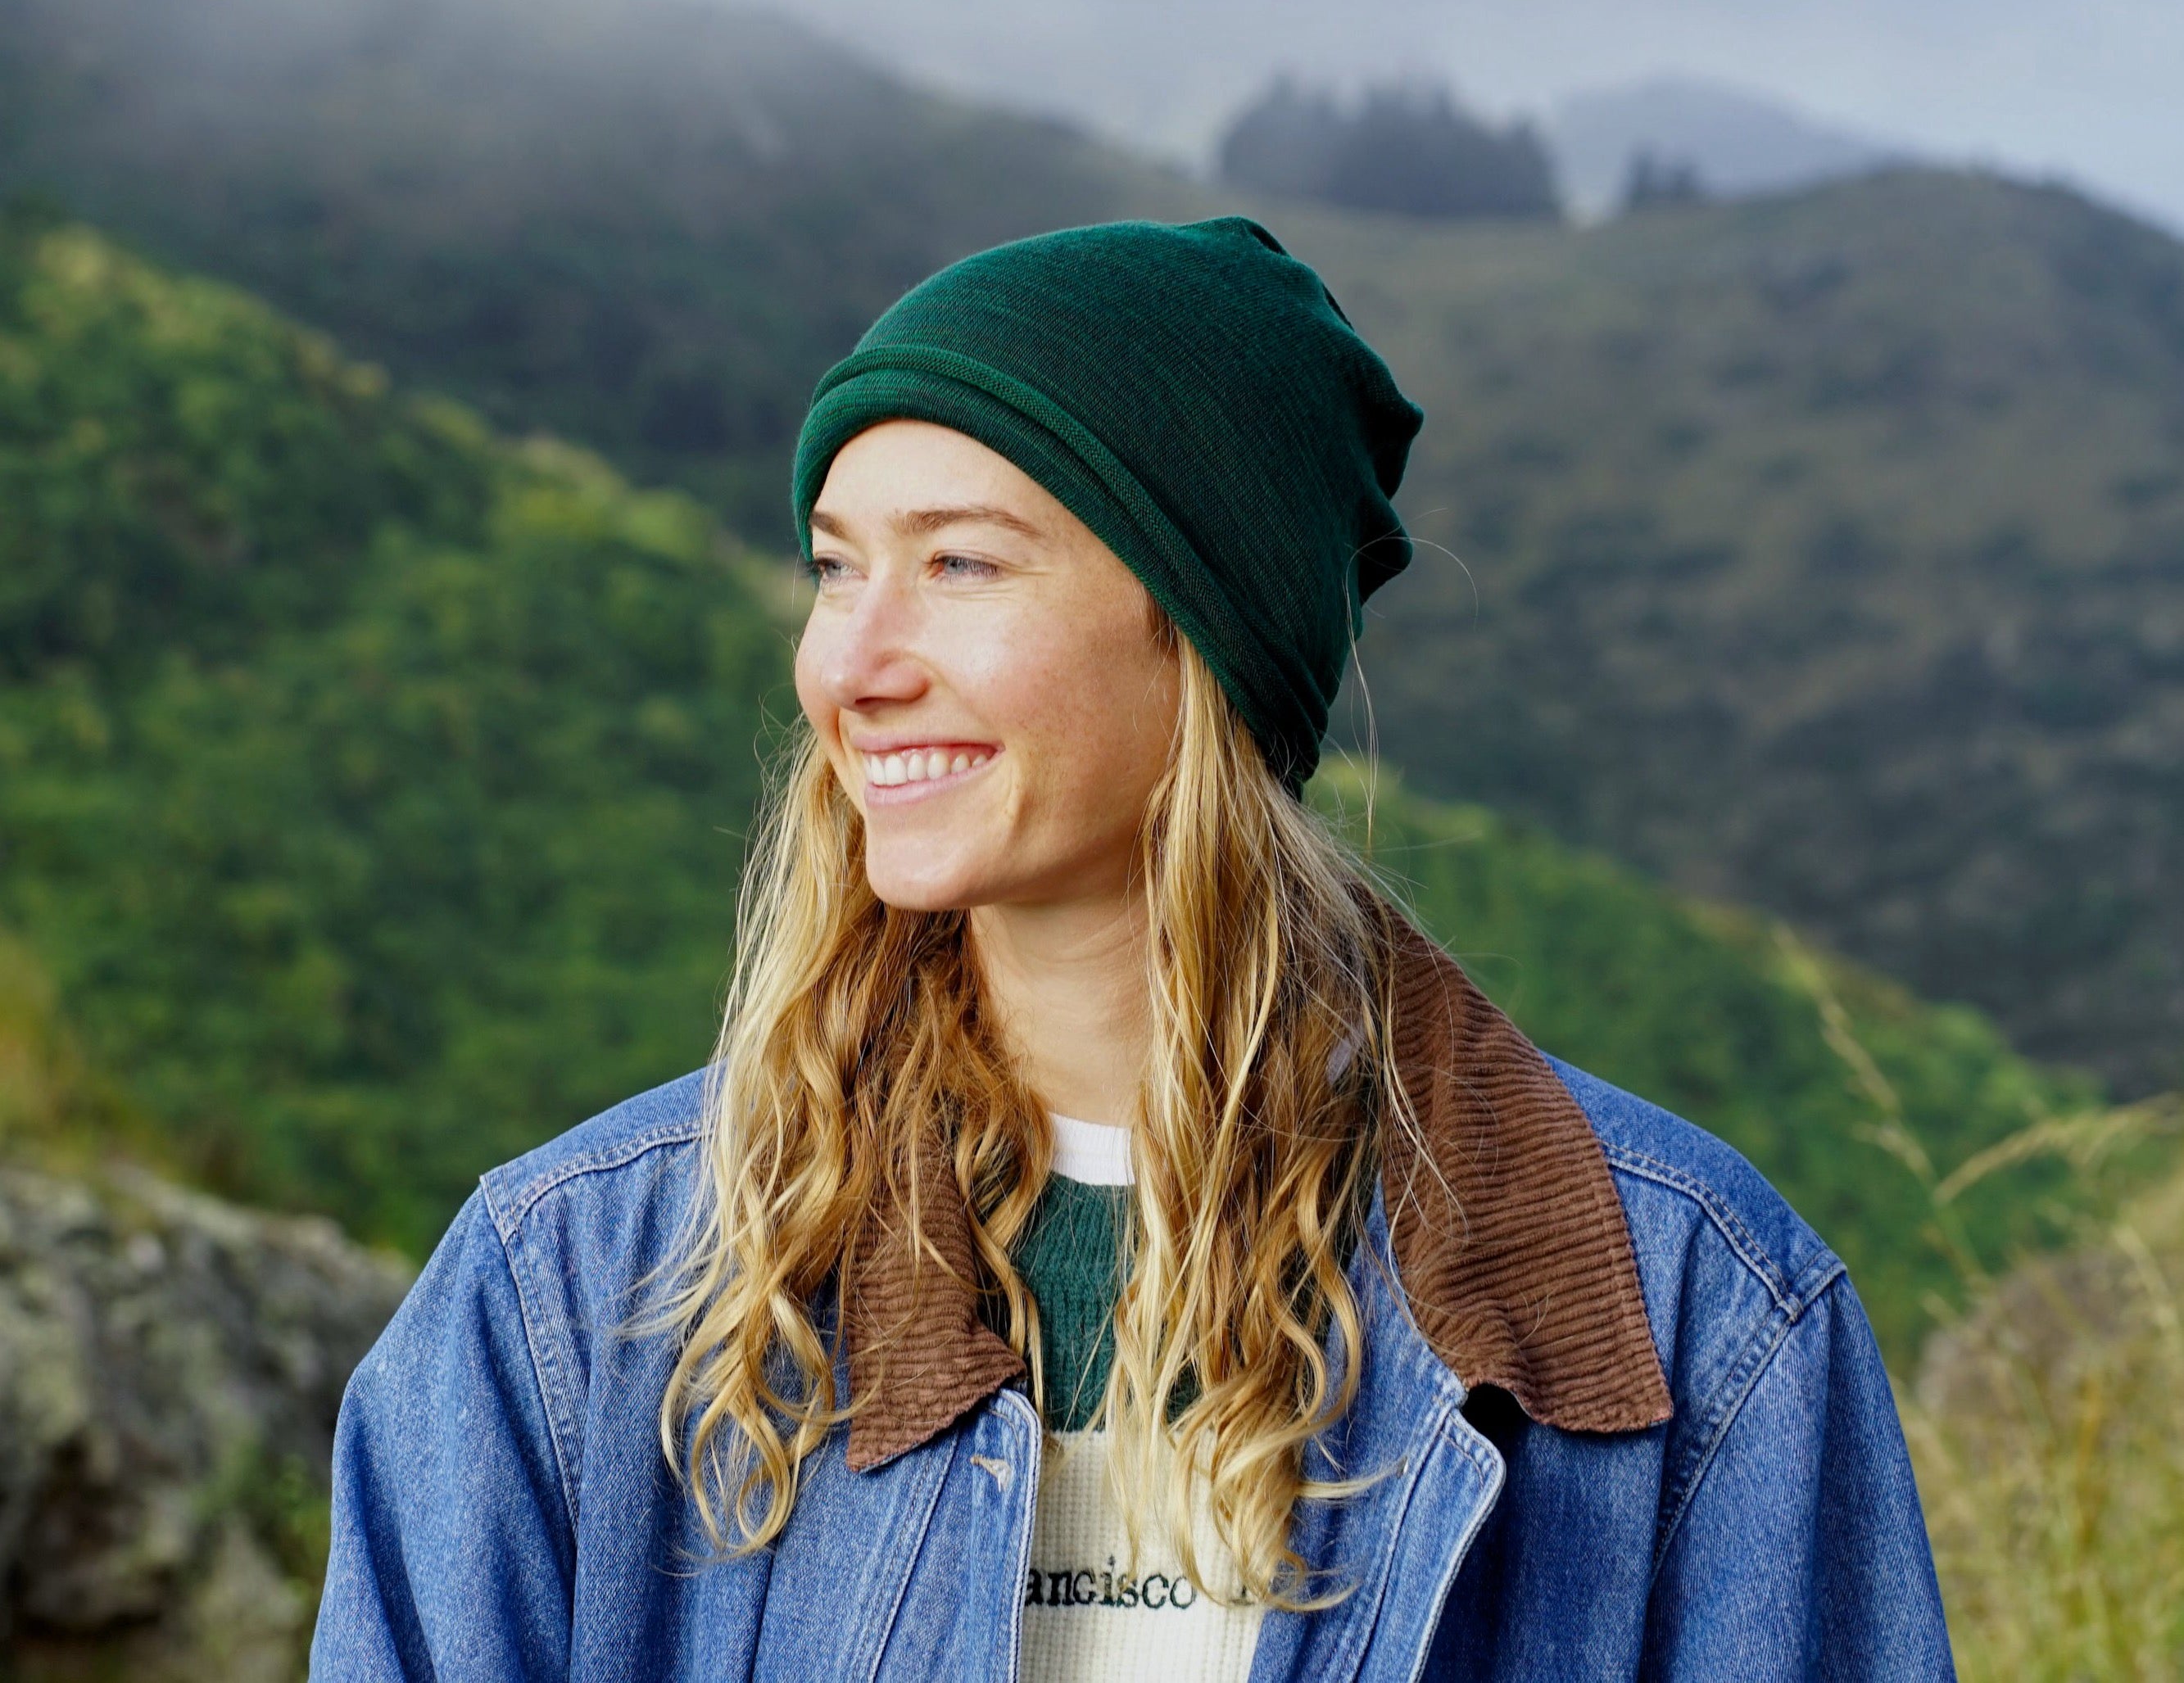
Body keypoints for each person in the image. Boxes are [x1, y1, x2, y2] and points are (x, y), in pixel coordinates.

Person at [312, 217, 1955, 1680]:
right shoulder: (576, 1287)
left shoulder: (1688, 1324)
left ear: (1207, 629)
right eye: (835, 566)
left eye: (958, 563)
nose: (853, 663)